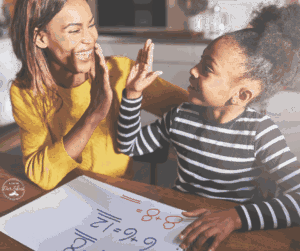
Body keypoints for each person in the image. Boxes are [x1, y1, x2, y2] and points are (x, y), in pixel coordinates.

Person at [117, 3, 300, 251]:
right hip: (180, 223)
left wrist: (235, 218)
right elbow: (129, 145)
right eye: (200, 61)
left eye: (207, 68)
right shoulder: (181, 116)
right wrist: (132, 94)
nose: (193, 71)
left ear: (242, 95)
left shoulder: (259, 132)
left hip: (232, 233)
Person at [9, 0, 188, 191]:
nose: (90, 38)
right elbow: (41, 175)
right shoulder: (27, 92)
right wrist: (93, 116)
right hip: (64, 191)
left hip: (117, 190)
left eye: (91, 25)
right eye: (75, 31)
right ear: (40, 38)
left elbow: (199, 111)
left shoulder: (121, 72)